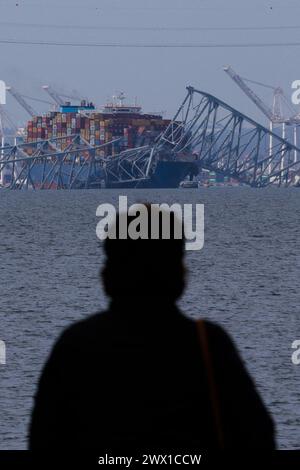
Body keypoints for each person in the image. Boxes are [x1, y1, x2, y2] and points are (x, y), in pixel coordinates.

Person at [29, 207, 275, 450]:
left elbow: (43, 438)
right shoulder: (210, 345)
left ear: (108, 273)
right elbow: (258, 435)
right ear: (179, 272)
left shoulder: (74, 346)